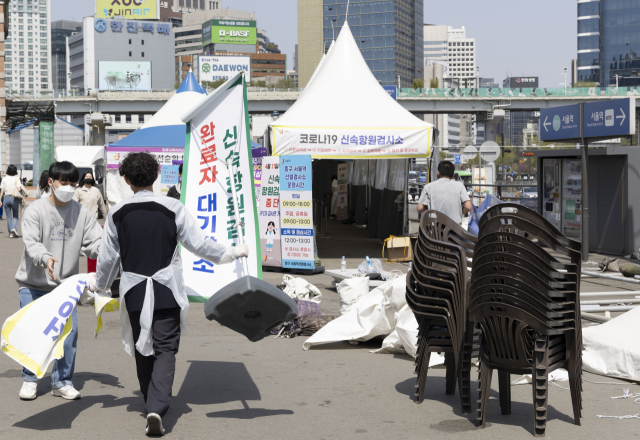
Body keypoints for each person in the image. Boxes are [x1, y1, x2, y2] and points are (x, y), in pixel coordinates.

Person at [93, 152, 249, 436]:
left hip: (135, 291)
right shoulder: (173, 208)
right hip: (167, 289)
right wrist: (233, 253)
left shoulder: (118, 213)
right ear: (156, 176)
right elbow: (200, 245)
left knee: (143, 345)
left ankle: (149, 399)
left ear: (126, 180)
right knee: (166, 348)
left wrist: (100, 285)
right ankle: (156, 405)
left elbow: (107, 260)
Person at [14, 161, 103, 401]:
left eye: (73, 184)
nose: (69, 187)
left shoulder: (81, 212)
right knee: (35, 333)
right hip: (33, 284)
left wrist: (108, 251)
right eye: (64, 182)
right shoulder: (36, 210)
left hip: (66, 286)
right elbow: (31, 242)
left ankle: (61, 381)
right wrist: (45, 258)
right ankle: (30, 379)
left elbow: (95, 242)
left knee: (68, 335)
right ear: (51, 183)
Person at [416, 160, 472, 225]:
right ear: (453, 175)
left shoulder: (428, 187)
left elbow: (419, 208)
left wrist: (430, 210)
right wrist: (460, 212)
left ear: (438, 173)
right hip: (455, 230)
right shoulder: (460, 186)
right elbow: (468, 207)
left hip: (435, 231)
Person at [0, 164, 24, 238]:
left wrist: (0, 200)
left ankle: (10, 233)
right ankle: (14, 228)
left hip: (6, 198)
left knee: (8, 216)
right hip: (14, 198)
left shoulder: (4, 179)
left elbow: (2, 190)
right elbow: (19, 189)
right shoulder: (16, 179)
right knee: (15, 215)